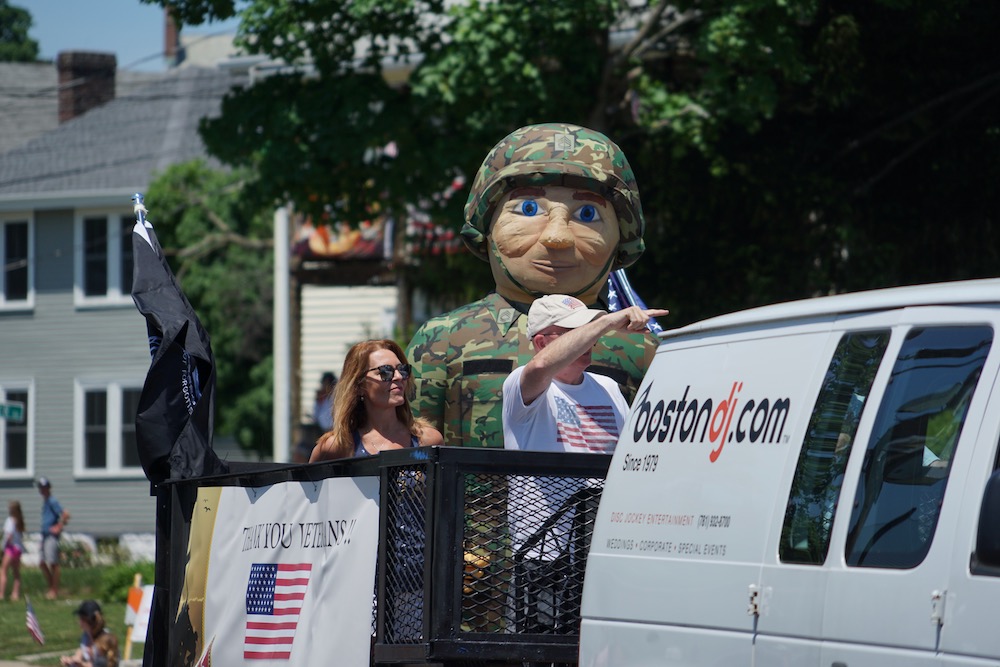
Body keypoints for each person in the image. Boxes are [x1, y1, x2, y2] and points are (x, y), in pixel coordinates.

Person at [406, 122, 659, 449]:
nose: (558, 237)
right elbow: (408, 452)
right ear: (487, 226)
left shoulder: (640, 349)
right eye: (529, 209)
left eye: (587, 213)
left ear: (621, 240)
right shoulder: (441, 340)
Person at [502, 294, 667, 634]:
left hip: (604, 552)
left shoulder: (607, 387)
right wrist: (606, 322)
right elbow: (538, 368)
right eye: (576, 331)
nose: (590, 336)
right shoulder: (523, 384)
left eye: (590, 327)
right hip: (546, 558)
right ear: (541, 342)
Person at [310, 339, 443, 461]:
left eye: (402, 370)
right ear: (359, 385)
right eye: (385, 372)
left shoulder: (428, 441)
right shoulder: (337, 447)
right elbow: (307, 486)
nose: (398, 377)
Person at [37, 477, 70, 600]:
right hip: (44, 535)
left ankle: (54, 590)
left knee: (53, 563)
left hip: (51, 536)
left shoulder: (52, 501)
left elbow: (65, 514)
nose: (42, 490)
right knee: (41, 562)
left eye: (44, 487)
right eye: (41, 487)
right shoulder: (46, 502)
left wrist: (59, 526)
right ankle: (51, 587)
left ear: (49, 488)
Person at [60, 599, 119, 667]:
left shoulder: (105, 640)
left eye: (81, 619)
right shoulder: (86, 635)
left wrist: (82, 664)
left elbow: (100, 664)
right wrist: (71, 659)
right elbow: (81, 651)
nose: (79, 622)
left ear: (87, 620)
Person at [1, 500, 25, 601]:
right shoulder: (20, 521)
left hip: (10, 548)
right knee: (16, 573)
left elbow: (9, 536)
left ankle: (1, 594)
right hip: (18, 549)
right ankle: (15, 594)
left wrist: (3, 546)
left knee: (3, 571)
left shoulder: (10, 520)